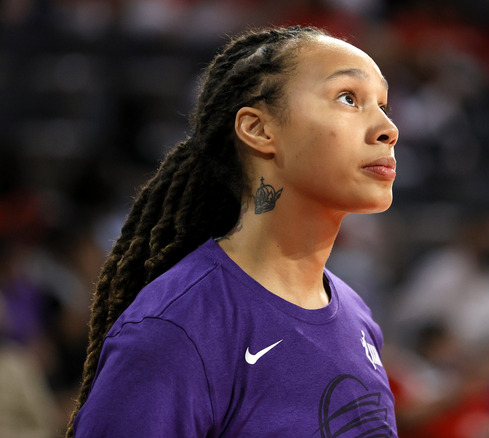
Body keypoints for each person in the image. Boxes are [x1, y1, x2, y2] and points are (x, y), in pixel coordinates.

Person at [67, 25, 399, 437]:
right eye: (348, 98)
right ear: (259, 130)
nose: (388, 129)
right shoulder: (176, 329)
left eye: (383, 104)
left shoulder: (356, 314)